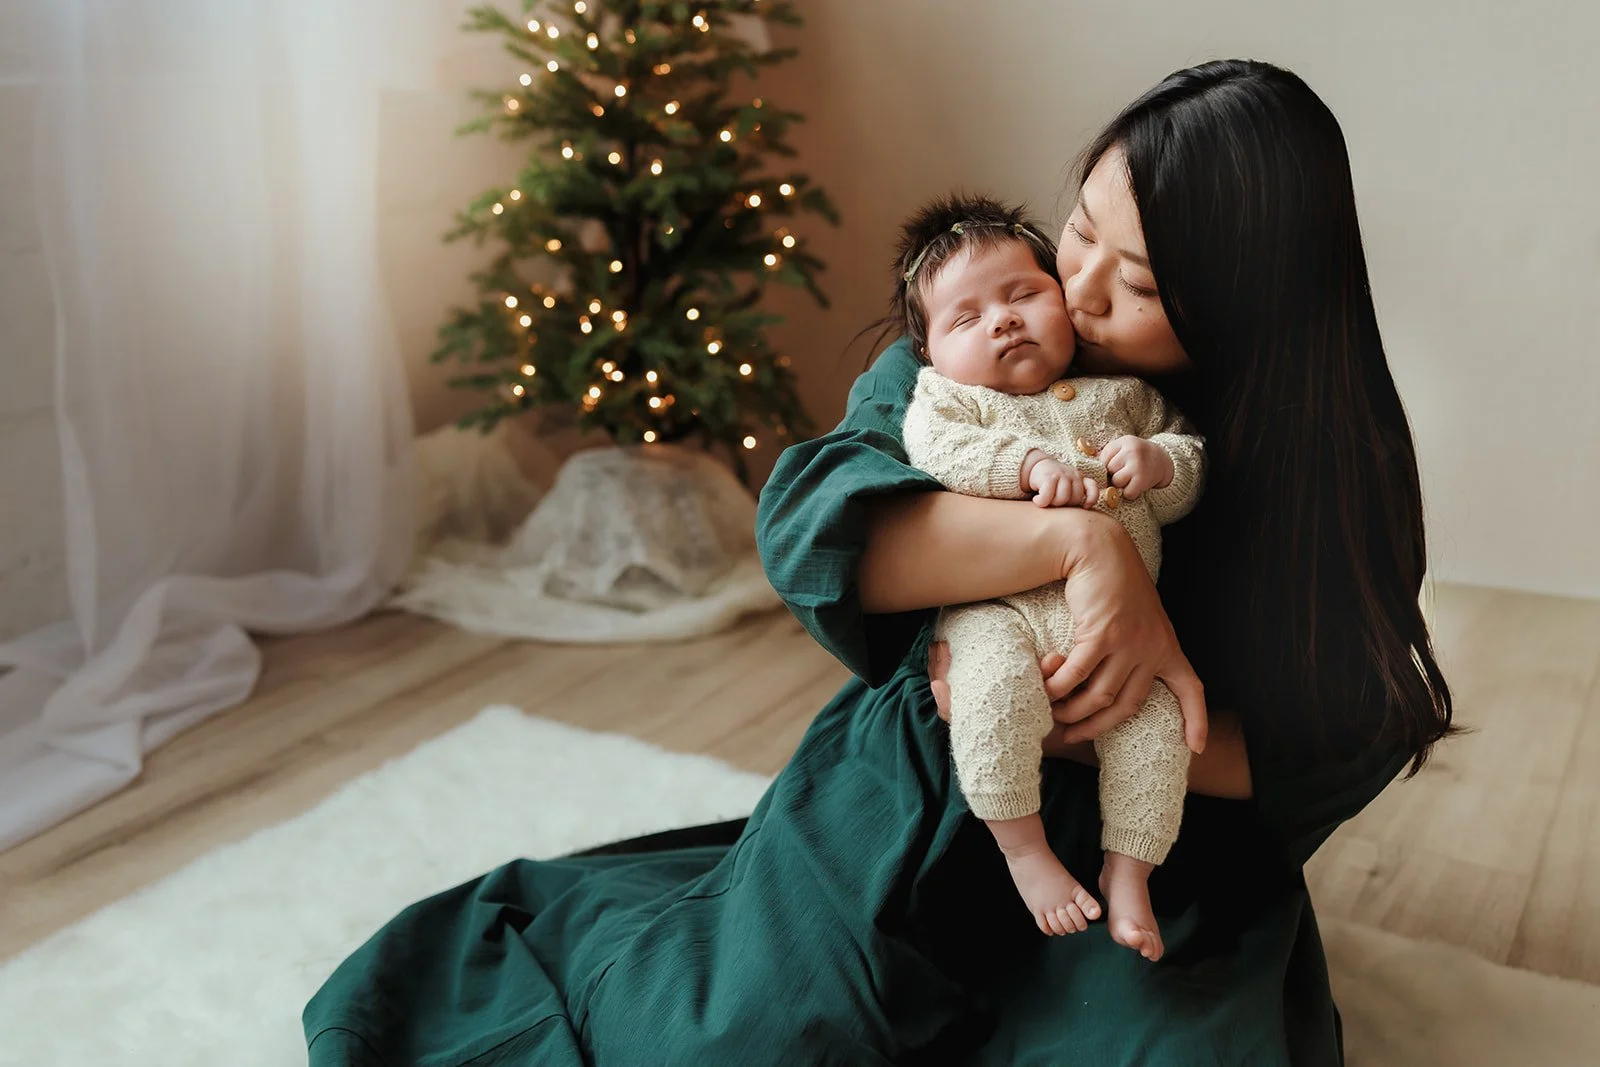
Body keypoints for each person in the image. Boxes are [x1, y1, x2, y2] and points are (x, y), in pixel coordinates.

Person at [303, 59, 1452, 1066]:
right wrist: (1082, 541)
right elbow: (820, 526)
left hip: (1152, 848)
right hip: (922, 783)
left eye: (1141, 284)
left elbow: (1347, 731)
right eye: (1081, 231)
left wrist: (1105, 719)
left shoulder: (1321, 452)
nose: (1079, 290)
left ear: (1255, 309)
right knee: (736, 1039)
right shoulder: (982, 332)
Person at [890, 194, 1205, 957]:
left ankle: (1130, 867)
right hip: (996, 609)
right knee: (991, 695)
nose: (1002, 320)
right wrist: (1024, 464)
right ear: (929, 352)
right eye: (966, 319)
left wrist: (1159, 463)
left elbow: (1190, 459)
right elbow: (938, 449)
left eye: (1023, 294)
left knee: (1157, 723)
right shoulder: (949, 399)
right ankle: (1024, 850)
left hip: (1115, 627)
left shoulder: (1126, 396)